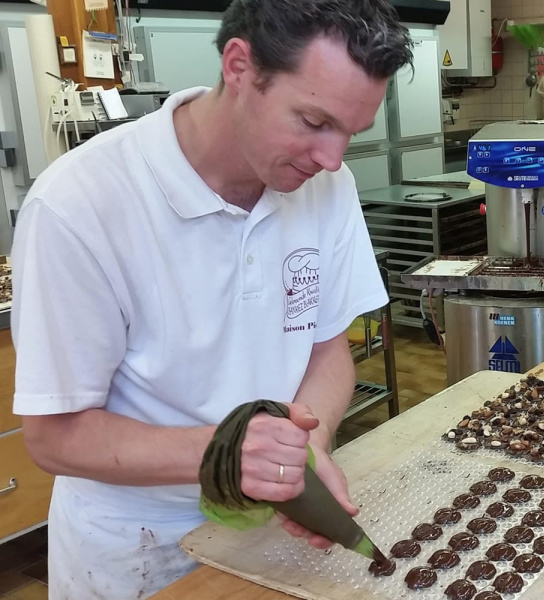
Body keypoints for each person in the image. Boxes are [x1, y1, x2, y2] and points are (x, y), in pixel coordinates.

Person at [11, 1, 413, 598]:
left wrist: (306, 447)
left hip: (275, 526)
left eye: (350, 133)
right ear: (239, 67)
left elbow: (327, 350)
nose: (332, 158)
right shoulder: (80, 204)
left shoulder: (329, 186)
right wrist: (228, 452)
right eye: (313, 121)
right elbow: (55, 435)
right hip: (139, 548)